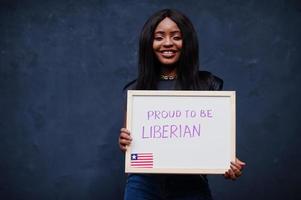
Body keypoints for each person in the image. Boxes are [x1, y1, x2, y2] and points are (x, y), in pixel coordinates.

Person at [119, 9, 246, 200]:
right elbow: (134, 150)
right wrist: (125, 142)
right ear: (149, 43)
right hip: (143, 185)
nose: (168, 43)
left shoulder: (208, 84)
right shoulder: (135, 90)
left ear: (187, 43)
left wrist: (227, 162)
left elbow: (215, 140)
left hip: (191, 186)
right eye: (159, 37)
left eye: (176, 37)